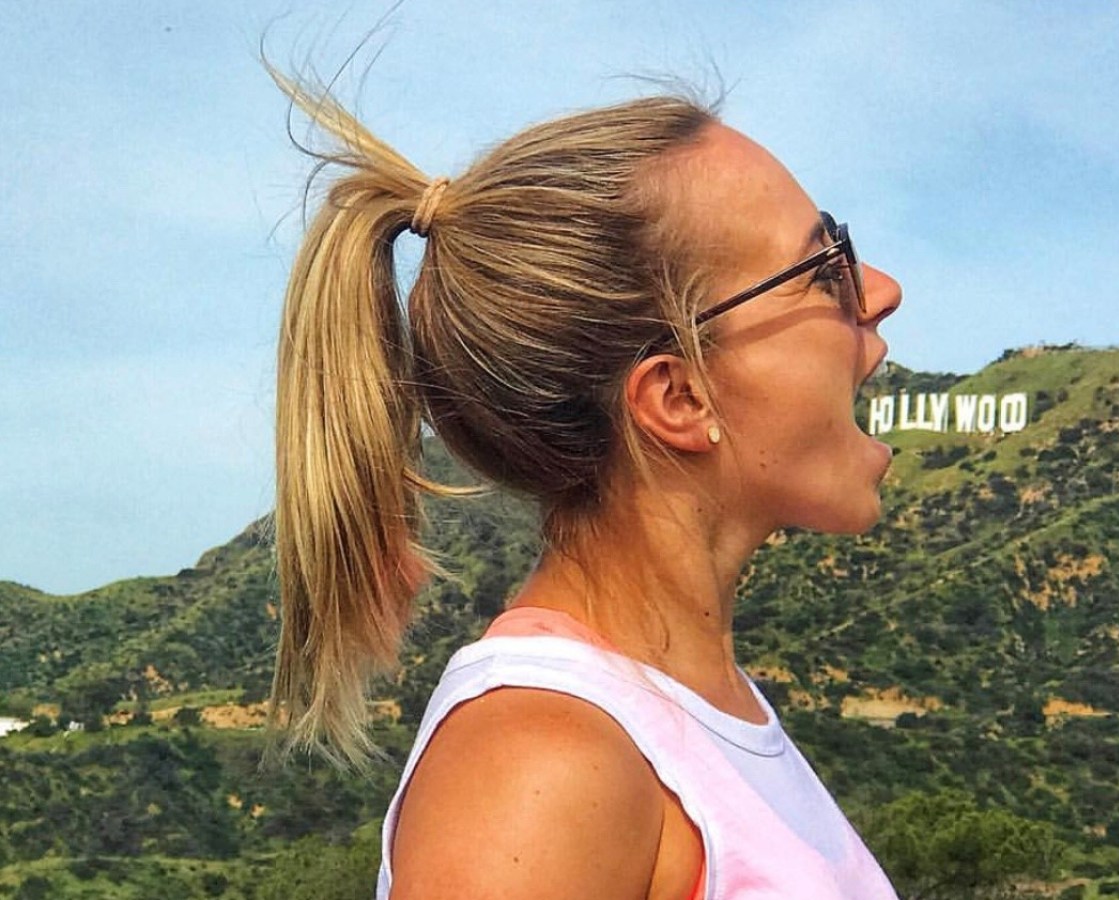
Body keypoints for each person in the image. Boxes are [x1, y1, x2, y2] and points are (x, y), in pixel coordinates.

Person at [268, 70, 903, 899]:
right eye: (824, 268)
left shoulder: (671, 724)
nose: (880, 292)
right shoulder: (545, 764)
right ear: (679, 396)